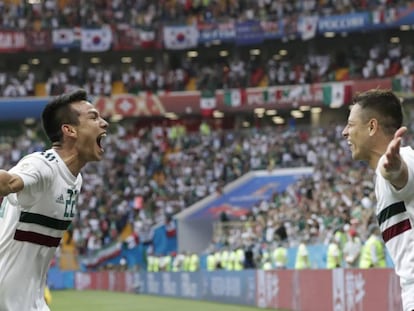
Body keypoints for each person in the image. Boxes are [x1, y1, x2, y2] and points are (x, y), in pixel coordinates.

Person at [0, 88, 108, 311]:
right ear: (69, 130)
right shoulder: (44, 165)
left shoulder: (74, 180)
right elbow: (8, 183)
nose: (104, 123)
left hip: (32, 302)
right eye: (93, 117)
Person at [342, 88, 414, 311]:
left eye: (351, 125)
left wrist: (394, 168)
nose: (345, 132)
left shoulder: (400, 160)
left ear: (372, 126)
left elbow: (402, 175)